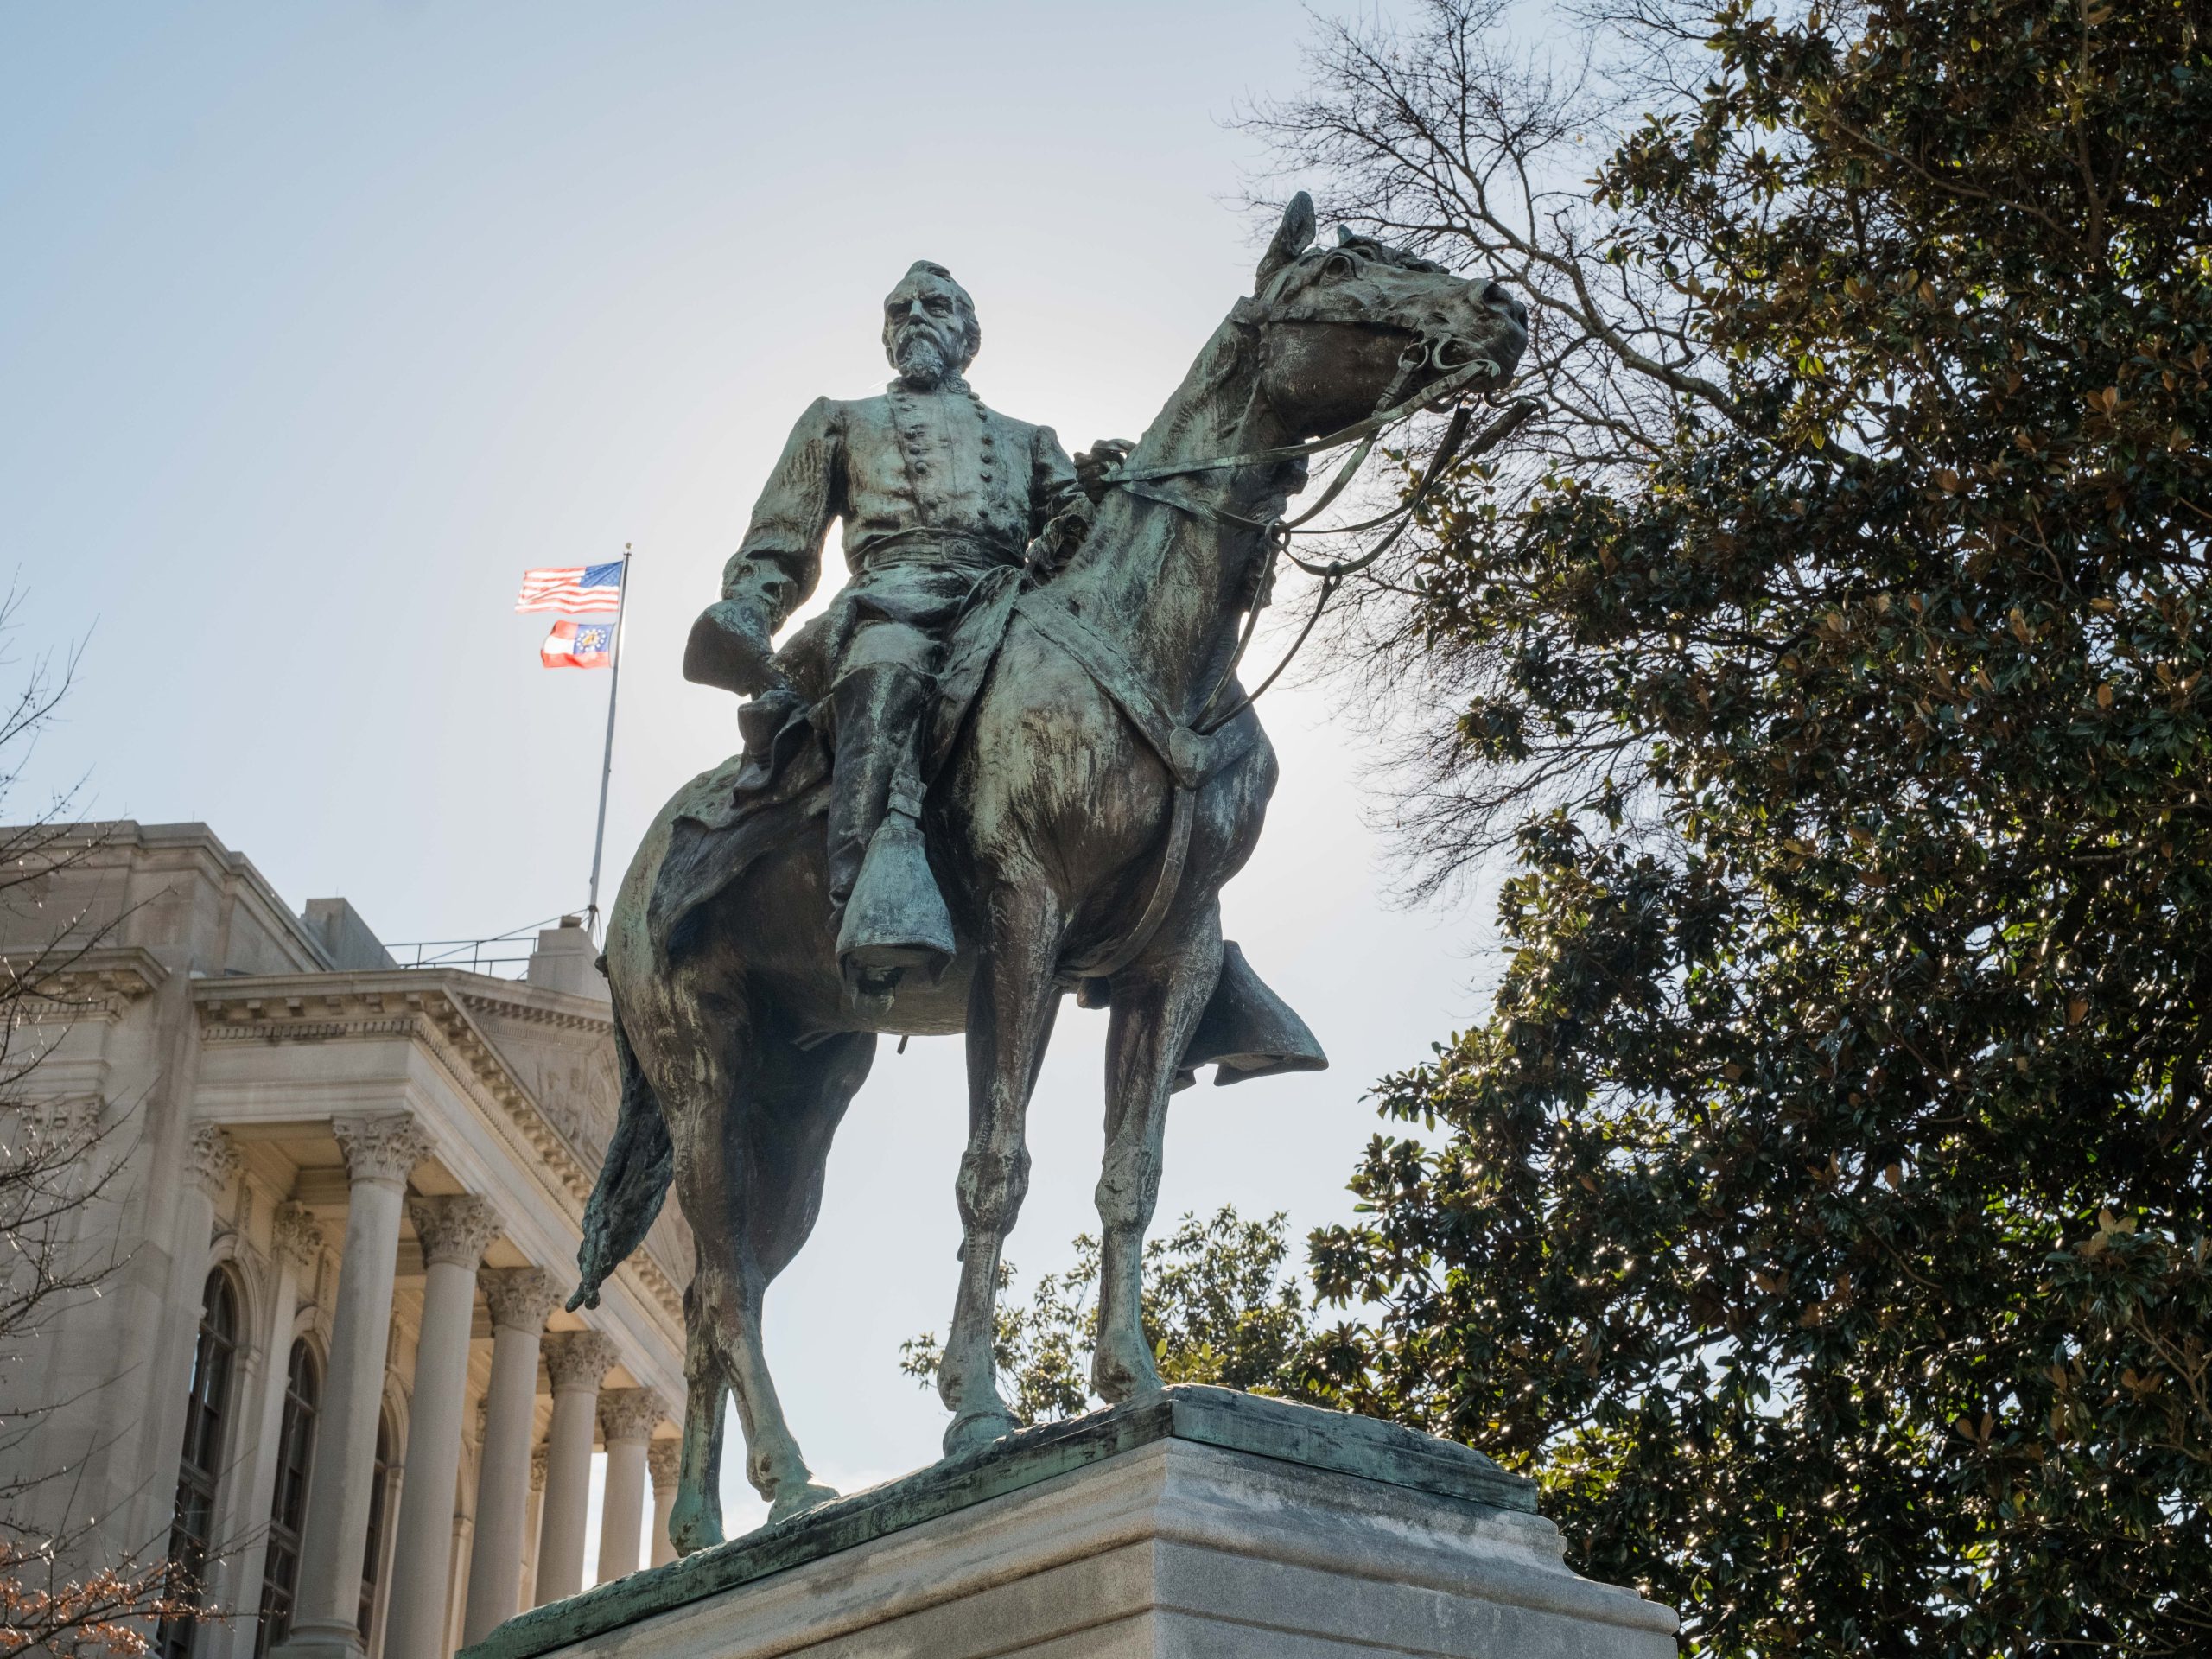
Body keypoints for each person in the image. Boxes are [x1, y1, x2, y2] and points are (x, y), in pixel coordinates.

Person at [683, 261, 1086, 990]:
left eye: (936, 306)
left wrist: (1091, 512)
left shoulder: (1030, 437)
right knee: (884, 672)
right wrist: (749, 606)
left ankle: (1174, 928)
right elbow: (782, 539)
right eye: (900, 310)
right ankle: (861, 902)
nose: (915, 318)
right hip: (890, 597)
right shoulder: (841, 419)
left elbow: (1081, 529)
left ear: (969, 334)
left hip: (1009, 604)